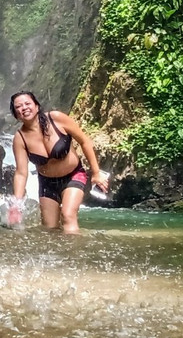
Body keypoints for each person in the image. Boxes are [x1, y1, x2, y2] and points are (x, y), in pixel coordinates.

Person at [10, 90, 109, 233]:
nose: (24, 108)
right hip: (47, 183)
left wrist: (96, 172)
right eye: (18, 106)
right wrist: (16, 204)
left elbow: (84, 141)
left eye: (27, 103)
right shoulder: (20, 138)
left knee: (68, 216)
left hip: (73, 175)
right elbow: (21, 173)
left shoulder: (56, 119)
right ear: (15, 114)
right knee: (49, 228)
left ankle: (75, 252)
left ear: (37, 106)